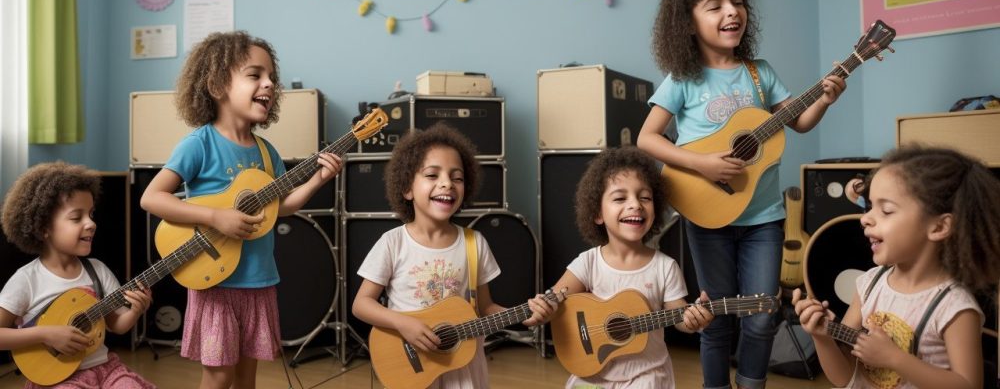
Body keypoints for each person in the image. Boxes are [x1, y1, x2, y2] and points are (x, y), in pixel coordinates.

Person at [635, 0, 847, 387]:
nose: (731, 11)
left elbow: (797, 123)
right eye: (714, 5)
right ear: (687, 22)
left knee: (763, 315)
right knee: (714, 316)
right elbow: (648, 138)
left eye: (736, 1)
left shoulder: (760, 73)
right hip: (708, 217)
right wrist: (703, 163)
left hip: (764, 217)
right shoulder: (684, 78)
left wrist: (824, 100)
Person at [139, 31, 342, 389]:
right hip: (215, 281)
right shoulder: (198, 144)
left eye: (272, 79)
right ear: (218, 84)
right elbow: (152, 198)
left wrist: (316, 181)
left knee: (247, 378)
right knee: (218, 377)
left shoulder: (266, 153)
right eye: (255, 75)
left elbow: (280, 208)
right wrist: (215, 217)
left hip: (259, 281)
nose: (269, 84)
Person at [351, 124, 558, 388]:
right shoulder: (393, 243)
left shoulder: (474, 243)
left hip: (463, 367)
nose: (447, 183)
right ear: (407, 189)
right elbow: (361, 304)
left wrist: (524, 315)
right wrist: (403, 324)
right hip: (414, 365)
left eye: (456, 177)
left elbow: (486, 308)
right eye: (432, 175)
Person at [793, 146, 999, 389]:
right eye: (869, 206)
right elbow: (843, 377)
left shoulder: (954, 308)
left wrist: (895, 359)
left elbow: (969, 385)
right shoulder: (869, 284)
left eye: (886, 210)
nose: (865, 218)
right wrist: (823, 337)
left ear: (938, 227)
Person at [550, 146, 714, 388]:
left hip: (646, 373)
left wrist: (693, 320)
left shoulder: (665, 267)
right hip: (594, 371)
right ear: (597, 213)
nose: (635, 205)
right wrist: (545, 305)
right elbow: (555, 298)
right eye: (620, 198)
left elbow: (679, 316)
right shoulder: (588, 262)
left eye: (644, 197)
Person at [0, 162, 154, 388]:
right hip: (57, 379)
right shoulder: (26, 280)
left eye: (91, 214)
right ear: (43, 228)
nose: (91, 223)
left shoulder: (97, 271)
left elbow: (117, 324)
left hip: (104, 369)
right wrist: (46, 334)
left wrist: (136, 310)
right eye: (76, 218)